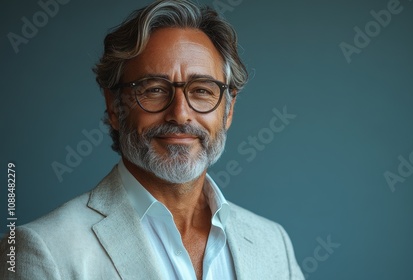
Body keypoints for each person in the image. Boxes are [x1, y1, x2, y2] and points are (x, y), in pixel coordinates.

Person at [0, 0, 304, 279]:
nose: (180, 114)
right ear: (115, 106)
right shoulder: (42, 249)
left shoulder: (273, 243)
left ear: (228, 110)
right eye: (154, 89)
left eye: (202, 90)